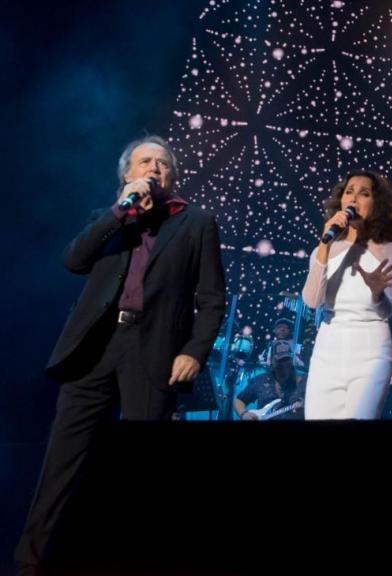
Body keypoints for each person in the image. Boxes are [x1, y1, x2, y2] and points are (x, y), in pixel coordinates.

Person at [15, 136, 226, 573]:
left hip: (154, 351)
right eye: (145, 162)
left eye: (163, 163)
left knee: (139, 471)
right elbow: (73, 260)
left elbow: (212, 300)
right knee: (62, 461)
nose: (155, 168)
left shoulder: (196, 223)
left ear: (173, 176)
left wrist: (194, 351)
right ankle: (30, 562)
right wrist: (120, 210)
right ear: (127, 175)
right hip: (95, 348)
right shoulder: (107, 220)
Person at [301, 169, 392, 419]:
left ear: (377, 204)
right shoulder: (324, 248)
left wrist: (377, 294)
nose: (353, 199)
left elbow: (386, 310)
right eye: (349, 192)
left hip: (370, 349)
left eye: (364, 193)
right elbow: (312, 300)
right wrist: (324, 246)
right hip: (327, 348)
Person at [235, 341, 306, 421]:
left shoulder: (304, 383)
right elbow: (239, 400)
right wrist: (244, 414)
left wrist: (305, 411)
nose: (284, 365)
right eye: (280, 361)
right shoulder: (261, 380)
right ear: (272, 361)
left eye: (287, 360)